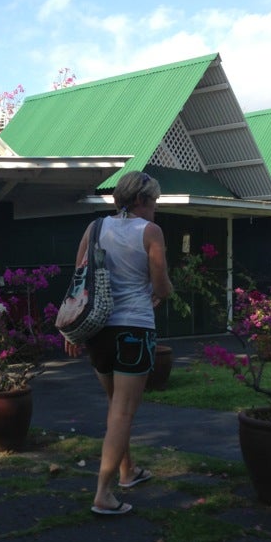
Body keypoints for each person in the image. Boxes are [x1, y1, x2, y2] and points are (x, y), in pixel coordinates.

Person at [66, 171, 173, 516]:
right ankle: (103, 493)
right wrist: (163, 292)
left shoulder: (95, 228)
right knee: (123, 412)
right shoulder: (150, 232)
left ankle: (128, 470)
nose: (155, 208)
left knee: (116, 407)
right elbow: (161, 286)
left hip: (97, 330)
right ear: (141, 200)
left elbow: (80, 278)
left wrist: (72, 331)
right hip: (133, 329)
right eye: (154, 201)